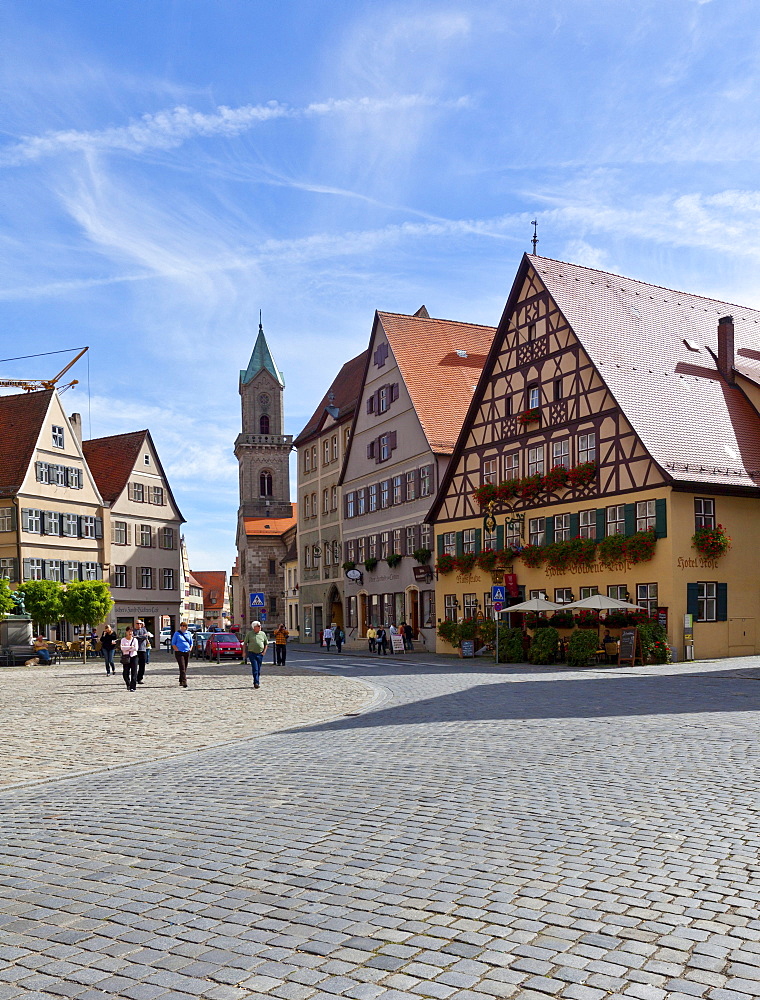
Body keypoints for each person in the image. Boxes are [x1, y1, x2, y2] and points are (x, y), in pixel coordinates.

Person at [243, 620, 268, 689]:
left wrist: (264, 652)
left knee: (258, 669)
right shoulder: (249, 634)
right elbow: (245, 643)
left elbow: (266, 643)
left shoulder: (262, 634)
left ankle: (257, 680)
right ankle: (256, 682)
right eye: (258, 626)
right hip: (252, 653)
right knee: (255, 668)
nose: (260, 627)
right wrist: (244, 652)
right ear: (254, 627)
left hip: (260, 654)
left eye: (260, 626)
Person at [171, 622, 193, 688]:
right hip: (179, 652)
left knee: (185, 667)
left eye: (184, 626)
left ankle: (181, 680)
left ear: (186, 627)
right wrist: (177, 649)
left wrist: (190, 648)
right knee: (182, 667)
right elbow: (173, 643)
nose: (182, 627)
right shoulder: (177, 634)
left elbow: (191, 642)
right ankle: (184, 682)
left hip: (186, 651)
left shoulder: (188, 633)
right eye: (181, 626)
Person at [134, 620, 153, 685]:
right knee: (134, 665)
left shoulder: (144, 630)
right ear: (135, 624)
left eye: (140, 623)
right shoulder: (133, 631)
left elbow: (145, 636)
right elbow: (134, 638)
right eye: (137, 623)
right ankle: (134, 678)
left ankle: (140, 678)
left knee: (142, 665)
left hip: (142, 649)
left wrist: (138, 637)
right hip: (135, 650)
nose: (139, 625)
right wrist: (140, 637)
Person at [120, 627, 139, 691]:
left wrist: (127, 648)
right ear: (126, 632)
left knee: (134, 672)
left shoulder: (135, 640)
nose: (130, 633)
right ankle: (128, 684)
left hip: (134, 656)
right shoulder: (123, 640)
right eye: (129, 631)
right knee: (125, 672)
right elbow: (122, 648)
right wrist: (130, 647)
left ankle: (133, 687)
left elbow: (136, 648)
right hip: (126, 657)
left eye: (131, 631)